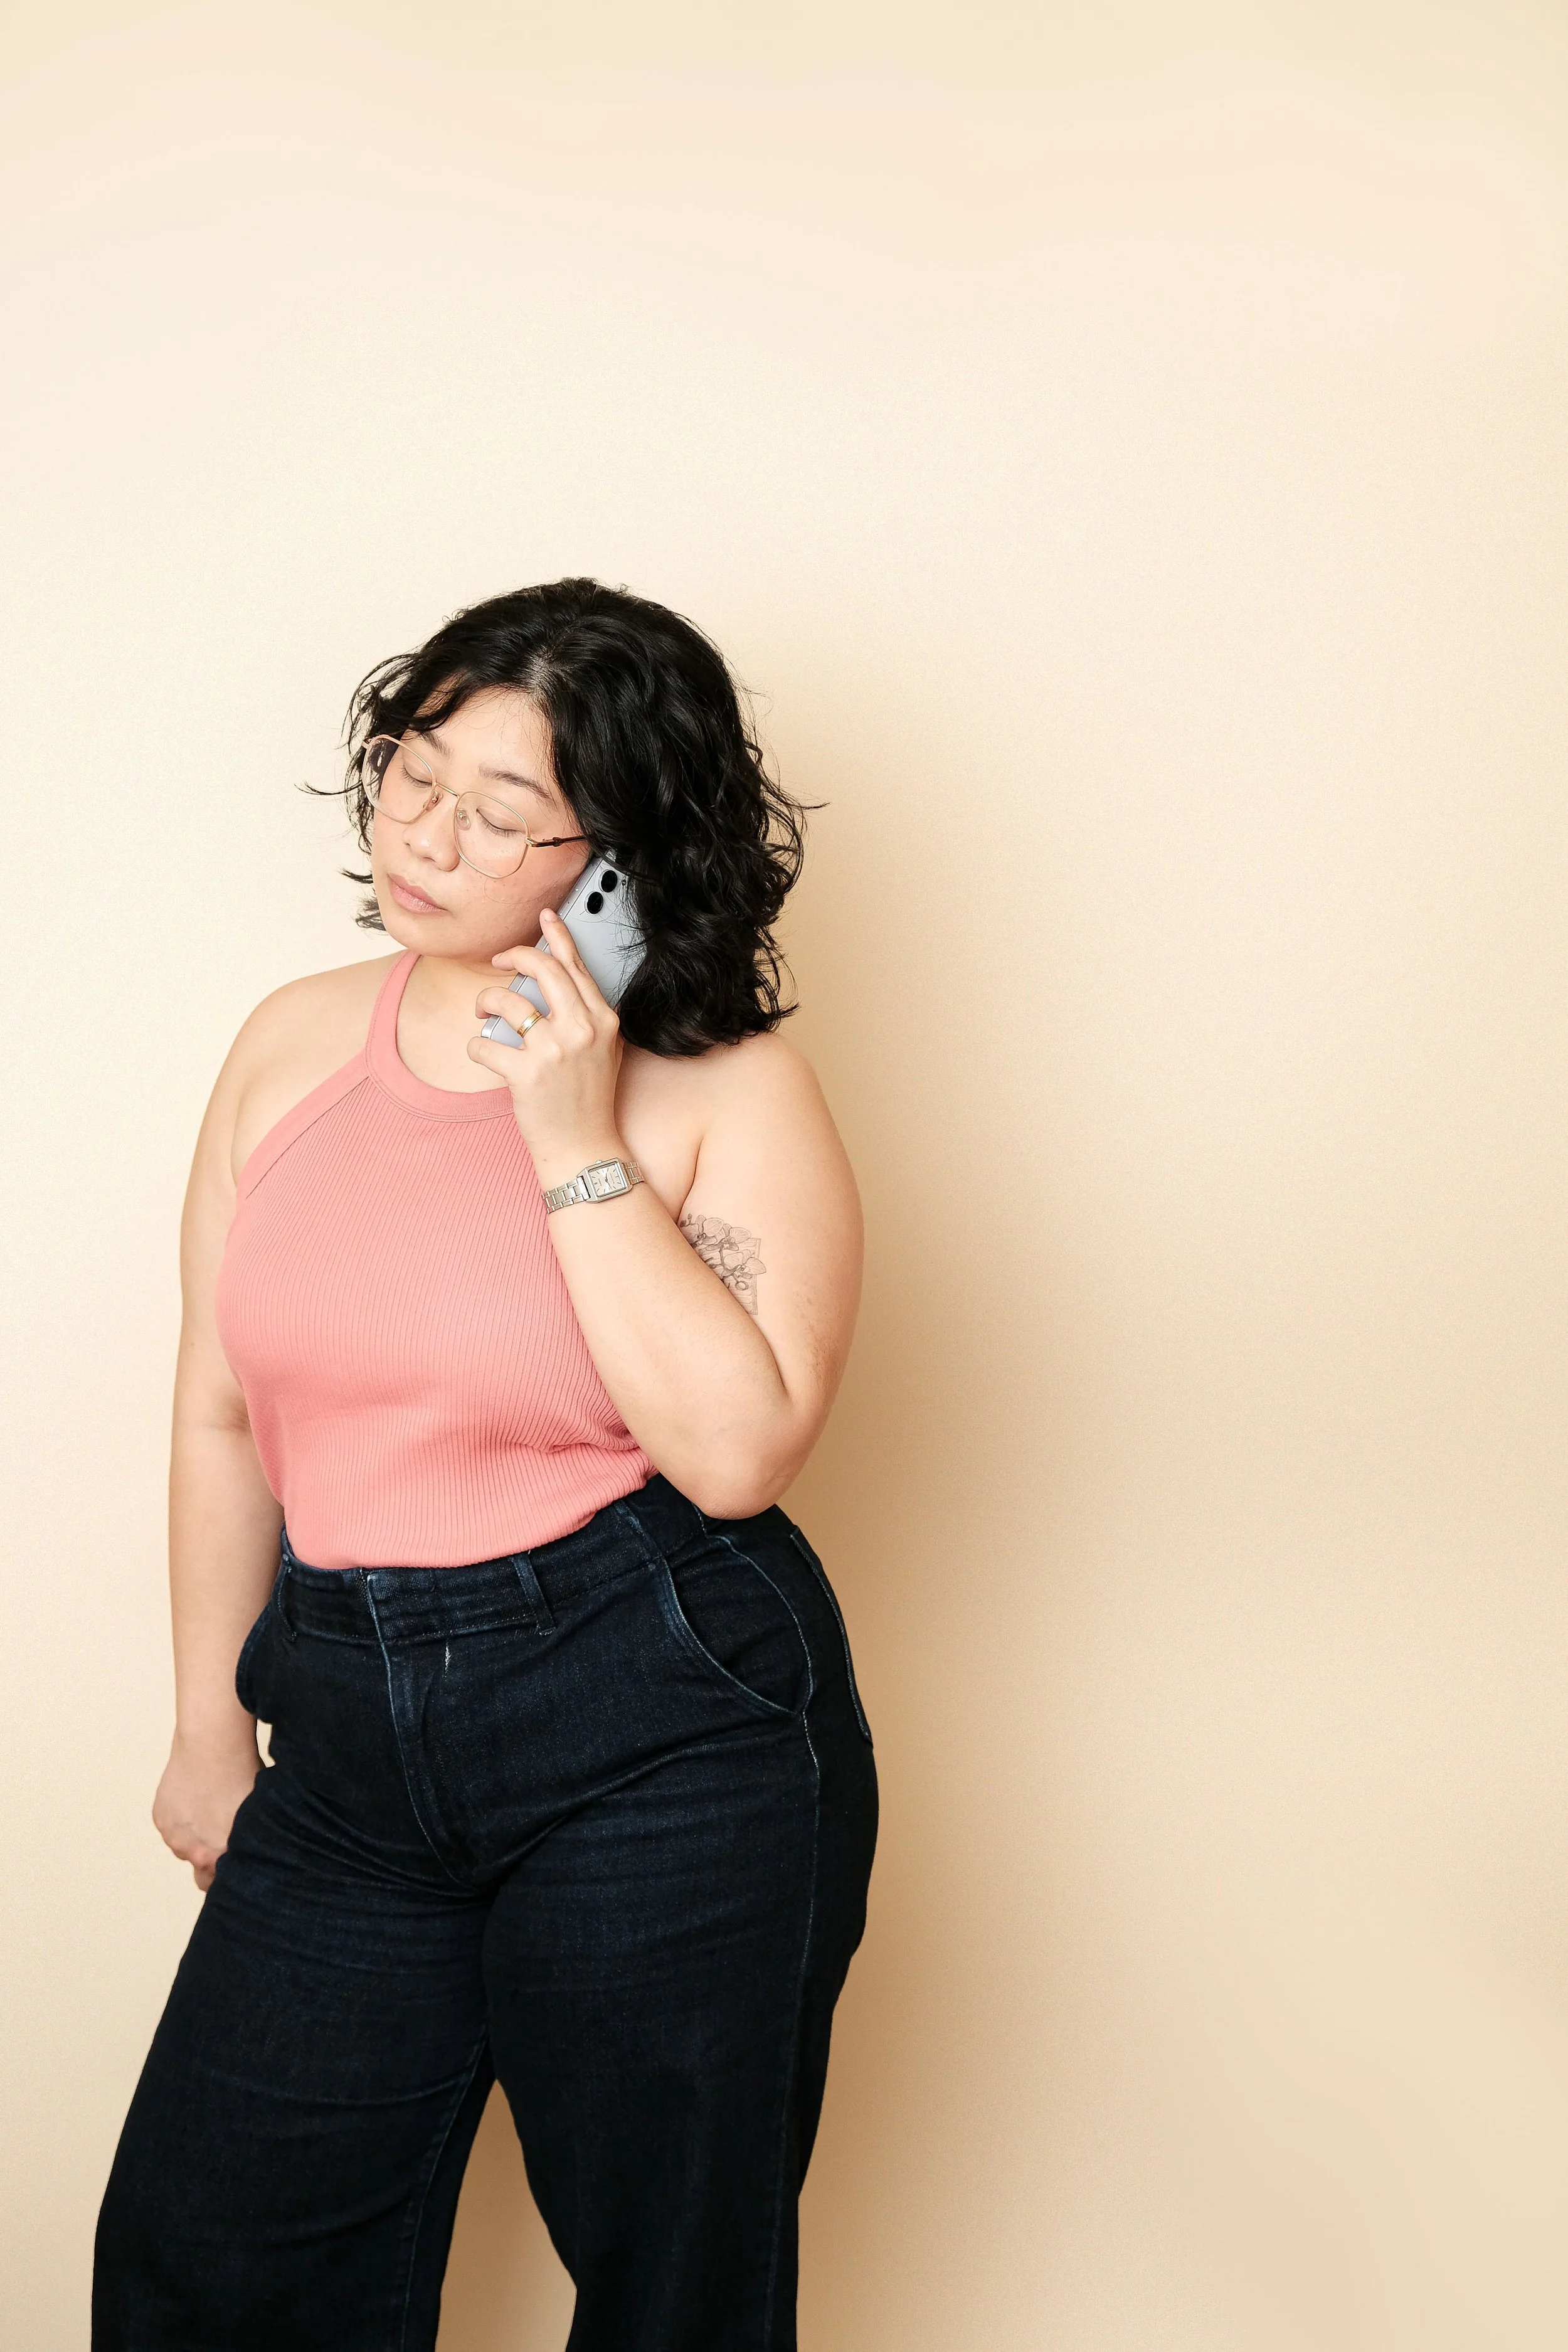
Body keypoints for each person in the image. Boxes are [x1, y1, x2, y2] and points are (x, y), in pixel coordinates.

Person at [92, 579, 877, 2352]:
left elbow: (738, 1450)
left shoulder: (729, 1089)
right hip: (347, 1719)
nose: (427, 833)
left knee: (670, 2277)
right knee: (211, 2265)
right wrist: (212, 1725)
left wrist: (568, 1132)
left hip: (654, 1713)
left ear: (621, 856)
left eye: (505, 813)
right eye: (414, 770)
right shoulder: (292, 1044)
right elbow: (221, 1410)